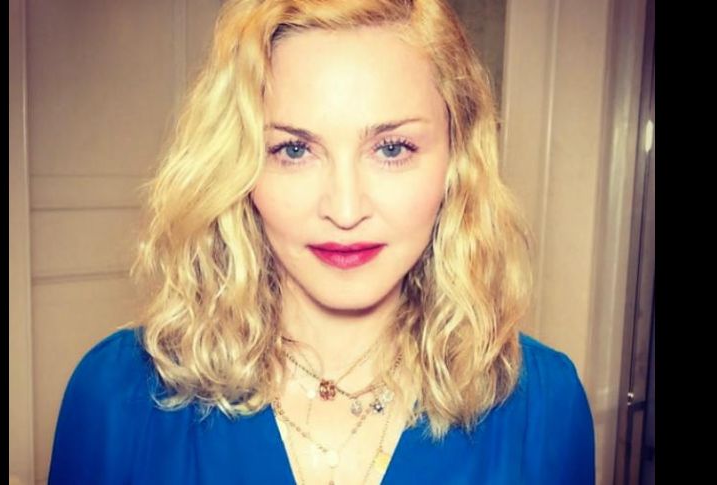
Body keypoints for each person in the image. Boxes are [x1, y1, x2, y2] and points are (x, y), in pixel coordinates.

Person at [48, 0, 595, 483]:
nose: (345, 209)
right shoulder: (115, 397)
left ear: (457, 159)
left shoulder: (546, 406)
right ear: (237, 167)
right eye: (294, 150)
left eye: (392, 148)